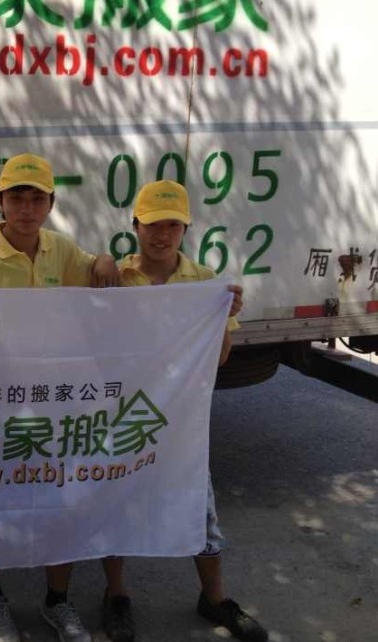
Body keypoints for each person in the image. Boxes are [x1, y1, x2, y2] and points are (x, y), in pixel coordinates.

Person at [0, 152, 119, 642]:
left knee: (57, 503)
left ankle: (57, 601)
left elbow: (96, 272)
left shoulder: (61, 251)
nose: (26, 208)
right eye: (16, 198)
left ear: (51, 204)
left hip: (51, 408)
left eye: (36, 199)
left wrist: (105, 259)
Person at [98, 179, 266, 642]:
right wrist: (101, 261)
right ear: (135, 226)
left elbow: (221, 358)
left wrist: (222, 316)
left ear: (185, 230)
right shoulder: (116, 278)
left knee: (198, 507)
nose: (162, 234)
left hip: (181, 421)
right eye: (153, 224)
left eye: (173, 225)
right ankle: (116, 596)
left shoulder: (205, 283)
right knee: (115, 504)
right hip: (123, 413)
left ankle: (214, 598)